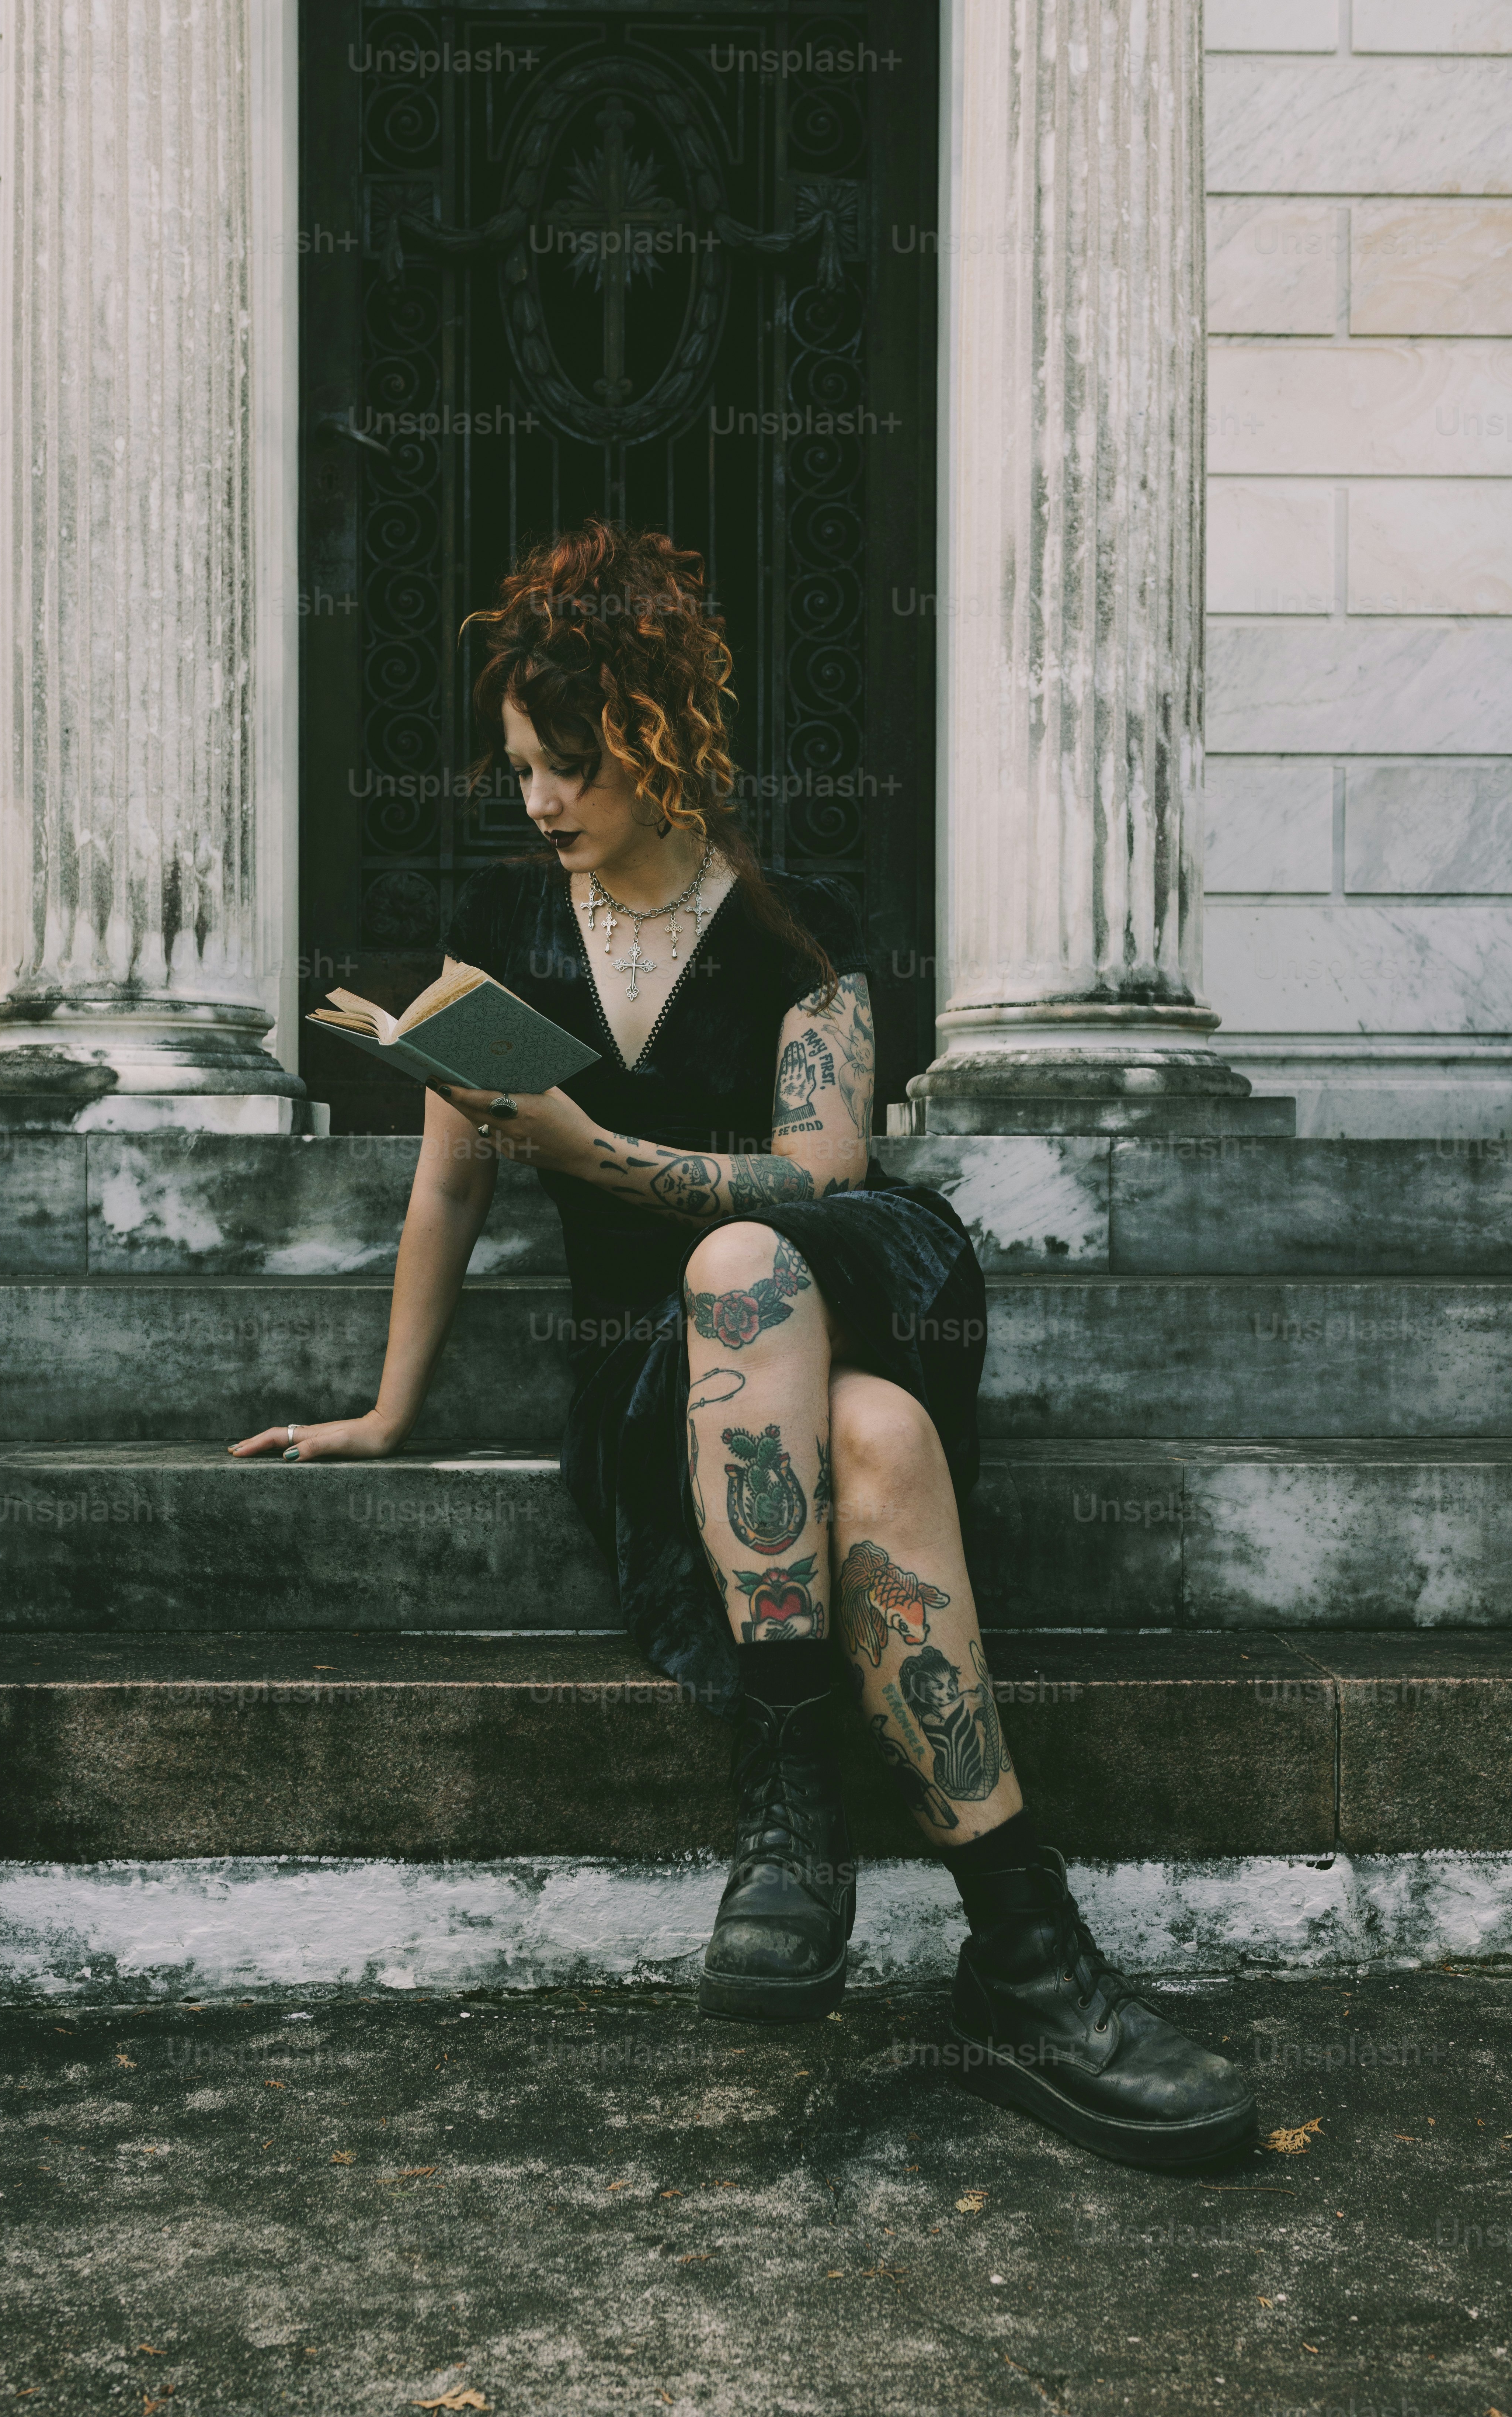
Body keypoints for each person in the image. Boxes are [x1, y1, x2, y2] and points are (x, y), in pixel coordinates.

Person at [233, 519, 1254, 2168]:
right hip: (659, 1402)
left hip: (836, 1288)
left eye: (573, 765)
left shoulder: (801, 929)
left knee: (742, 1253)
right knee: (882, 1448)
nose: (542, 802)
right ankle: (1028, 1953)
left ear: (658, 741)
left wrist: (592, 1153)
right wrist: (381, 1409)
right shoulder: (502, 921)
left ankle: (790, 1798)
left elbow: (821, 1175)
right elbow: (442, 1201)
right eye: (520, 768)